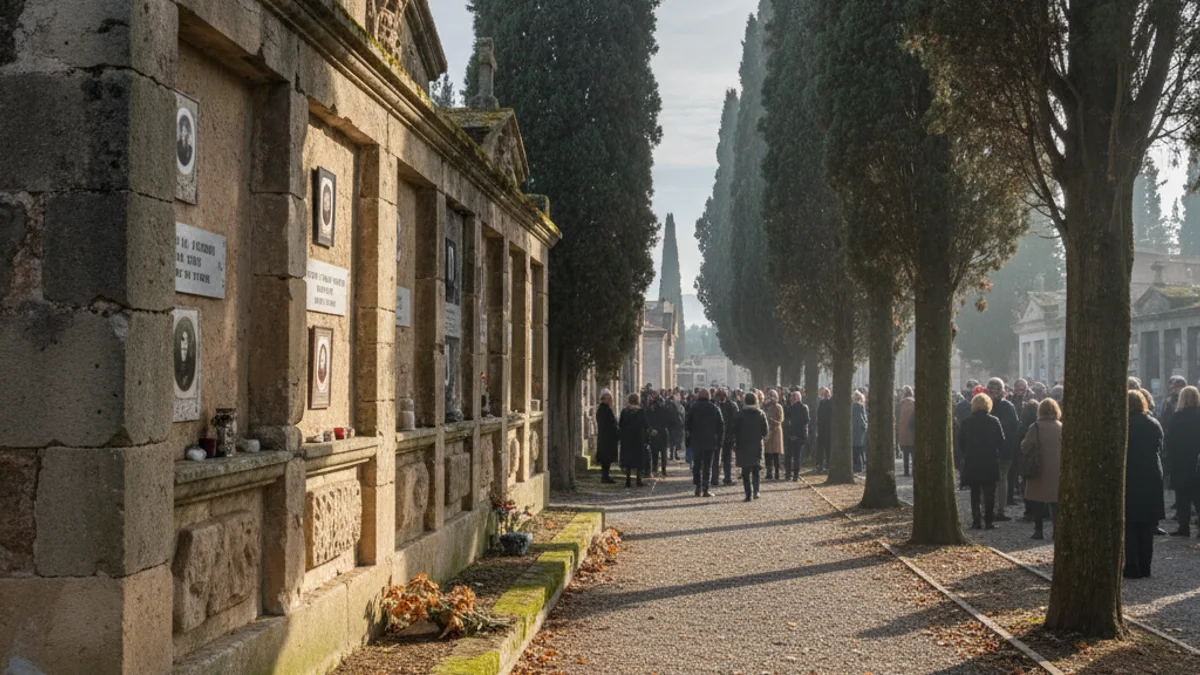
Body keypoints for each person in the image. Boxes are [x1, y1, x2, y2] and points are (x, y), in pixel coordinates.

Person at [1125, 389, 1166, 578]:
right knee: (1146, 526)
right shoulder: (1153, 423)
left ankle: (1132, 566)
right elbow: (1160, 447)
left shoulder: (1124, 425)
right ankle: (1145, 566)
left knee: (1130, 525)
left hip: (1130, 475)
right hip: (1150, 475)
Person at [958, 393, 1005, 530]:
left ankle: (976, 521)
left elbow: (961, 442)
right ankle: (989, 521)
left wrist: (967, 452)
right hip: (989, 460)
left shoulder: (966, 422)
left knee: (975, 493)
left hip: (972, 460)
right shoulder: (994, 421)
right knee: (990, 493)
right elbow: (1001, 441)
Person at [1020, 398, 1062, 540]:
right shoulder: (1061, 426)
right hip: (1056, 467)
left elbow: (1025, 447)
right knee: (1054, 500)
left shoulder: (1035, 427)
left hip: (1038, 467)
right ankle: (1056, 530)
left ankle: (1038, 531)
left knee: (1037, 500)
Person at [1167, 386, 1200, 537]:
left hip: (1181, 462)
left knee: (1182, 497)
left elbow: (1170, 441)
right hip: (1197, 461)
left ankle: (1184, 527)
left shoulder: (1177, 417)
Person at [986, 378, 1020, 521]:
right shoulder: (1008, 406)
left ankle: (989, 509)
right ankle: (999, 510)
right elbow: (1015, 427)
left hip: (989, 450)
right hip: (1004, 449)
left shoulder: (984, 405)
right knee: (1001, 480)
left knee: (989, 480)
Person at [684, 388, 724, 497]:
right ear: (708, 396)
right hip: (710, 441)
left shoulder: (693, 407)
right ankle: (705, 488)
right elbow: (721, 425)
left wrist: (688, 439)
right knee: (707, 466)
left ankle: (697, 487)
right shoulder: (714, 408)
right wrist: (719, 441)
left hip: (696, 440)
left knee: (697, 465)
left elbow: (687, 424)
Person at [732, 392, 768, 501]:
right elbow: (765, 431)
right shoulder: (760, 414)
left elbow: (734, 430)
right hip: (756, 444)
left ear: (745, 401)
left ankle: (748, 494)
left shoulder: (739, 414)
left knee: (745, 471)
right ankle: (756, 491)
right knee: (756, 469)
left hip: (743, 445)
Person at [618, 393, 651, 488]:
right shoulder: (640, 411)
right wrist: (650, 431)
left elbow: (620, 424)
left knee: (628, 458)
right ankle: (638, 479)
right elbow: (646, 424)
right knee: (638, 458)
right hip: (638, 438)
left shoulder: (625, 411)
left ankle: (628, 480)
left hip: (627, 438)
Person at [715, 389, 740, 486]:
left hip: (724, 436)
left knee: (723, 458)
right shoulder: (731, 405)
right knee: (725, 458)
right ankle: (723, 478)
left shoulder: (717, 405)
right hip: (724, 436)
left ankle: (720, 478)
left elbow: (735, 421)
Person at [595, 390, 620, 484]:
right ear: (603, 399)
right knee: (606, 458)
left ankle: (606, 476)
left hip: (608, 437)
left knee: (607, 459)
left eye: (610, 398)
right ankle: (605, 477)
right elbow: (608, 424)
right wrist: (616, 430)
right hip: (606, 438)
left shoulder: (606, 409)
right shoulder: (603, 409)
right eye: (608, 398)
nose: (610, 400)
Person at [783, 390, 809, 481]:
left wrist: (792, 432)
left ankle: (791, 474)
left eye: (793, 397)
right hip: (796, 435)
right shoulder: (791, 408)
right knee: (793, 456)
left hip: (796, 435)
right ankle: (793, 475)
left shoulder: (802, 408)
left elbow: (805, 421)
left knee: (792, 456)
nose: (791, 399)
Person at [646, 395, 670, 477]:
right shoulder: (665, 410)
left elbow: (648, 421)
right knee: (663, 452)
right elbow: (669, 421)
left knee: (655, 452)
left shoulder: (650, 410)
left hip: (655, 432)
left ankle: (655, 468)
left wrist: (651, 429)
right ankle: (663, 469)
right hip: (663, 432)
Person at [763, 390, 785, 480]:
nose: (770, 398)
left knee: (776, 454)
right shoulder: (767, 407)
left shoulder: (779, 407)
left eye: (772, 396)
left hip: (776, 432)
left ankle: (777, 473)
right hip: (768, 431)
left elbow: (780, 420)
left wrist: (771, 420)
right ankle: (769, 472)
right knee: (767, 454)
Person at [898, 386, 916, 476]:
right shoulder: (915, 403)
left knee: (905, 454)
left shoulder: (901, 404)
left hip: (903, 432)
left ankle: (906, 471)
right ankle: (915, 471)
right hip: (913, 432)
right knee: (914, 454)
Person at [816, 387, 834, 472]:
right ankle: (827, 464)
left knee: (822, 448)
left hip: (822, 428)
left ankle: (820, 464)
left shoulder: (822, 403)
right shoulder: (830, 403)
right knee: (827, 448)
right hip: (828, 428)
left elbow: (819, 415)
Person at [851, 390, 868, 473]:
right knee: (860, 448)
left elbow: (860, 418)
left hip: (856, 430)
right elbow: (864, 418)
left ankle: (858, 466)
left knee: (856, 449)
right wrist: (865, 426)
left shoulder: (854, 406)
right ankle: (861, 465)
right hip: (860, 430)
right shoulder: (861, 406)